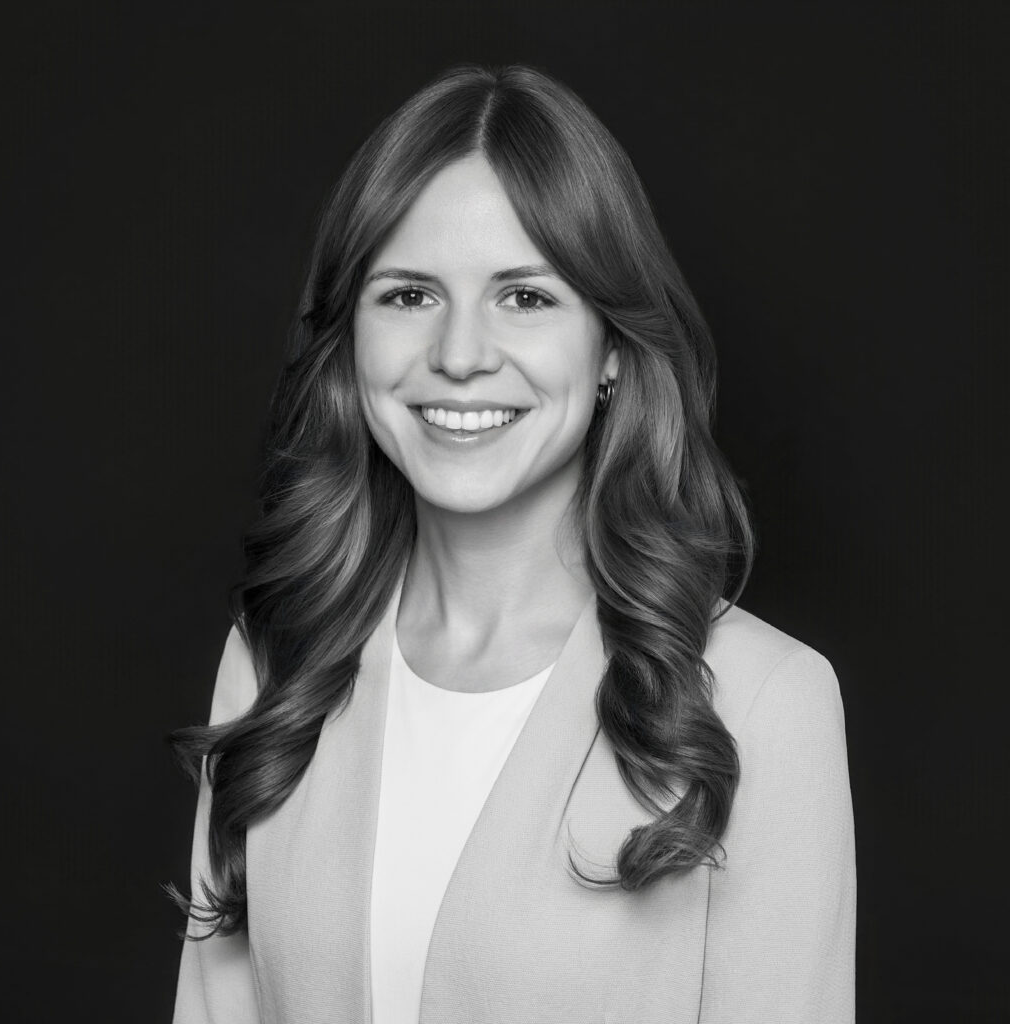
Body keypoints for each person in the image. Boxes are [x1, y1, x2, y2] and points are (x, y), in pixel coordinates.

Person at [169, 63, 855, 1024]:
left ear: (611, 347)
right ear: (348, 340)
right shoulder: (273, 665)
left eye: (524, 297)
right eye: (408, 295)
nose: (459, 354)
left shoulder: (765, 704)